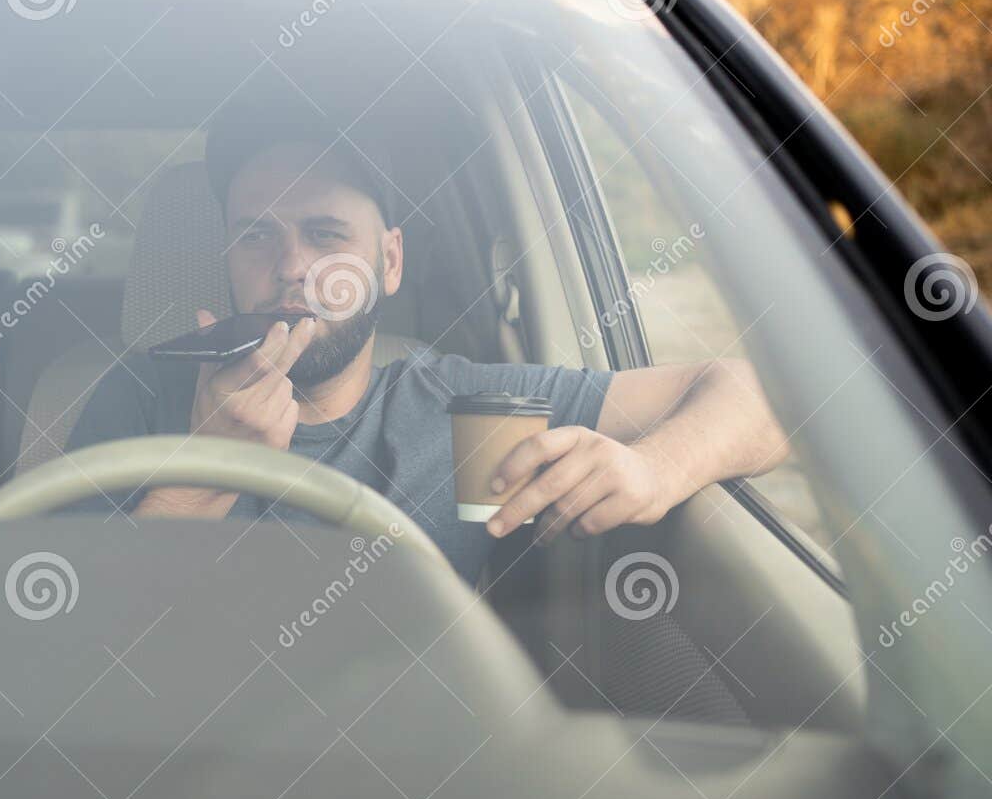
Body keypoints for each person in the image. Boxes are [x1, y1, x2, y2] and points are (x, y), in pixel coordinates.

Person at [64, 105, 789, 582]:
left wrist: (655, 469)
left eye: (325, 235)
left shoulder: (467, 419)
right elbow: (62, 651)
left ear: (390, 261)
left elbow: (770, 398)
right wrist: (204, 470)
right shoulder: (139, 403)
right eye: (255, 235)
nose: (289, 268)